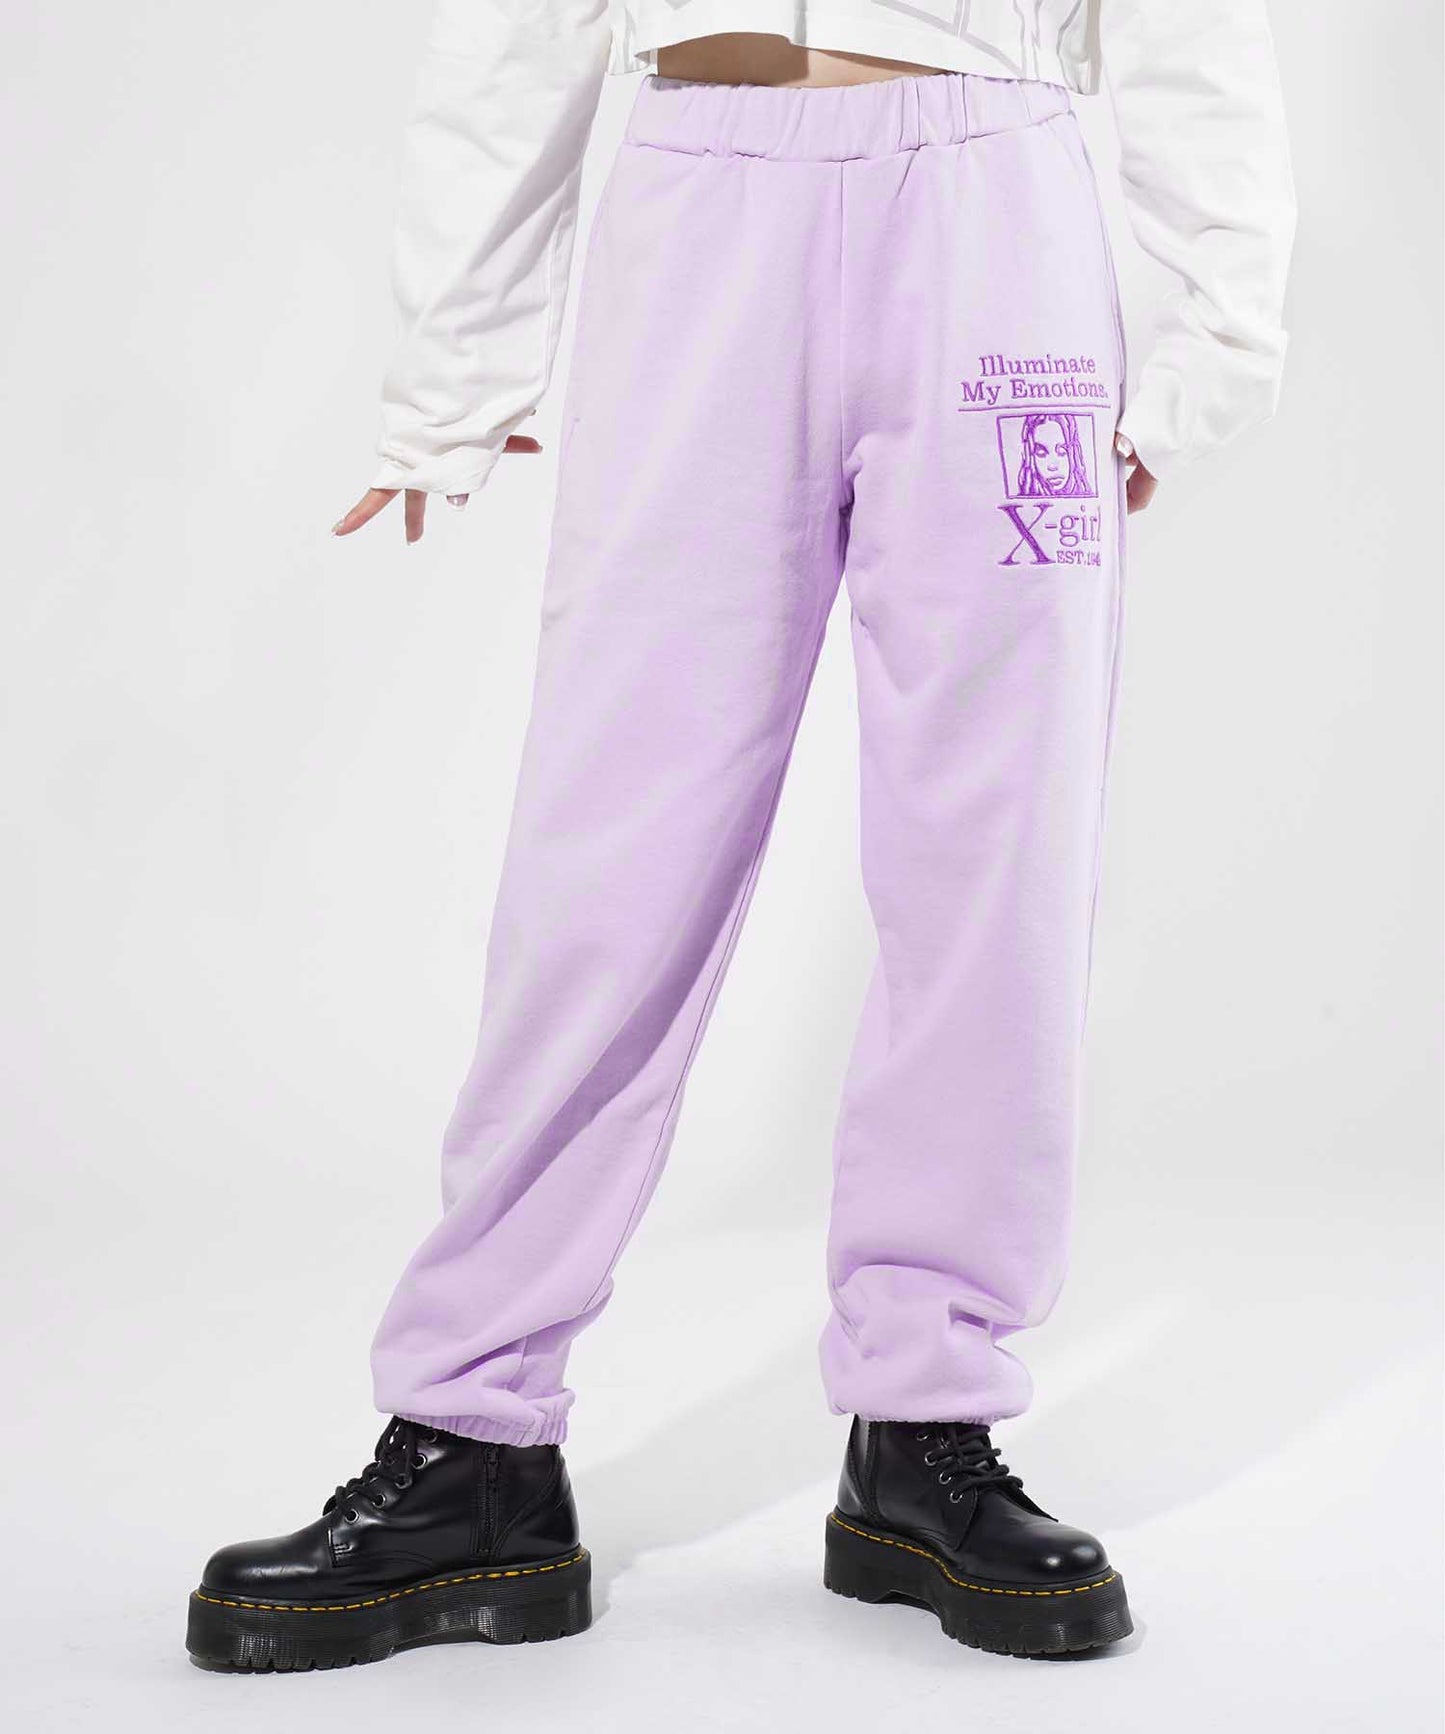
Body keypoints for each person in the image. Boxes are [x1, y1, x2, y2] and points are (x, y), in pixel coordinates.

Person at [185, 1, 1294, 1671]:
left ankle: (924, 1424)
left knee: (994, 853)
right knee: (607, 854)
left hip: (993, 209)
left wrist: (1217, 341)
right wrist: (454, 371)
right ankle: (473, 1435)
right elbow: (516, 25)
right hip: (697, 190)